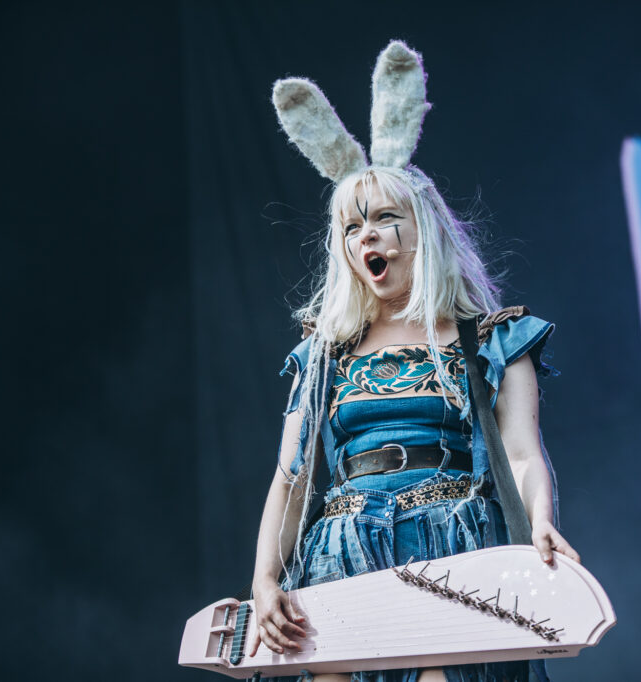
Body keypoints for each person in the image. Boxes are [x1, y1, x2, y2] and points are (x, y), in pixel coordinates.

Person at [247, 41, 579, 682]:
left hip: (452, 544)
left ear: (422, 229)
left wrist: (540, 522)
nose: (366, 235)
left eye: (383, 218)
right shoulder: (324, 355)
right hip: (342, 552)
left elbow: (522, 454)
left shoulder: (494, 340)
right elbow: (291, 478)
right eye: (351, 227)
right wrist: (264, 580)